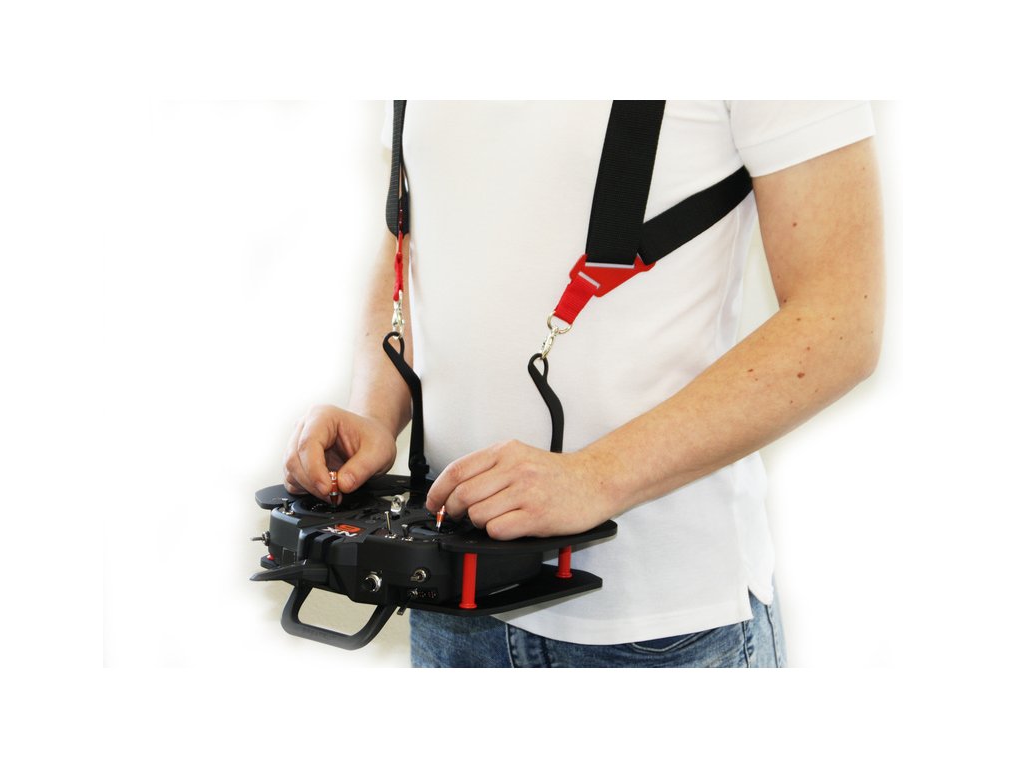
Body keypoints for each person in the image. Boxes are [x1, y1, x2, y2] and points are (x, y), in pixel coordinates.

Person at [282, 101, 884, 667]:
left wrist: (598, 476)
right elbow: (411, 239)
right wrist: (374, 412)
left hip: (661, 628)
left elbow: (840, 323)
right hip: (448, 594)